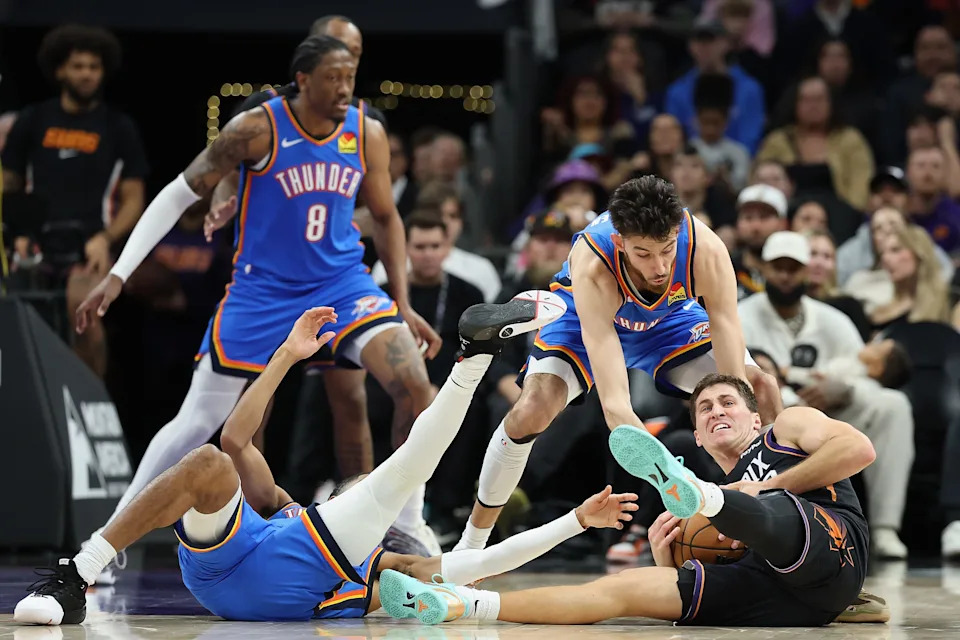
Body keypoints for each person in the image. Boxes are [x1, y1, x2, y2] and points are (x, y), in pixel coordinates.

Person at [15, 297, 644, 625]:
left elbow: (477, 563)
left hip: (285, 579)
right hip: (227, 568)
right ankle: (80, 569)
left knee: (404, 471)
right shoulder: (292, 513)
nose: (358, 484)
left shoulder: (382, 564)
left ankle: (474, 356)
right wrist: (288, 357)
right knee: (210, 459)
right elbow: (235, 441)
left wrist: (575, 524)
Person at [73, 35, 444, 561]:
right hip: (262, 292)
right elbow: (181, 191)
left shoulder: (367, 132)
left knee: (415, 385)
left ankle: (408, 520)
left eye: (350, 78)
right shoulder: (257, 127)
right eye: (333, 78)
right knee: (198, 422)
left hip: (342, 283)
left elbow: (385, 216)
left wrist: (402, 303)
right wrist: (118, 272)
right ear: (304, 81)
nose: (344, 89)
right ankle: (106, 541)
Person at [380, 373, 875, 627]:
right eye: (704, 409)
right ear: (698, 438)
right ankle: (465, 603)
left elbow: (859, 448)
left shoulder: (787, 427)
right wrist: (670, 561)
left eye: (728, 403)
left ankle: (706, 496)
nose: (715, 411)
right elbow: (706, 562)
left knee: (767, 512)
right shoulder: (716, 490)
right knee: (620, 588)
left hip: (831, 546)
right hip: (782, 598)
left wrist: (765, 486)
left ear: (755, 419)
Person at [453, 176, 782, 552]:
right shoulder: (593, 262)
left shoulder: (706, 248)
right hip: (584, 319)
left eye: (667, 249)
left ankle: (780, 513)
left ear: (677, 231)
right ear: (621, 241)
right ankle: (470, 547)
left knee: (759, 389)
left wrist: (737, 412)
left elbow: (725, 328)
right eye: (643, 253)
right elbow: (615, 404)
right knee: (531, 411)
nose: (659, 266)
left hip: (669, 320)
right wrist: (662, 469)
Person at [1, 24, 148, 376]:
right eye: (78, 66)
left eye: (93, 67)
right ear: (60, 70)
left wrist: (105, 240)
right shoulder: (32, 120)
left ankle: (88, 407)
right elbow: (10, 183)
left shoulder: (118, 127)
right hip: (33, 242)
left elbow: (134, 198)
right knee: (20, 325)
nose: (86, 75)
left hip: (90, 244)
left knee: (83, 312)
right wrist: (17, 232)